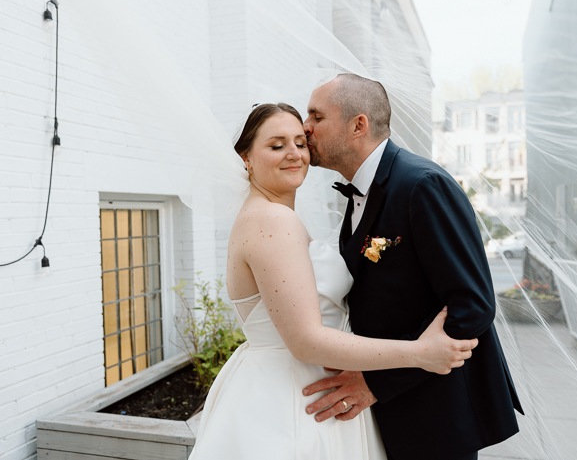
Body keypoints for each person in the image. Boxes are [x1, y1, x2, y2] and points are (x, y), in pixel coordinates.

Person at [188, 103, 479, 460]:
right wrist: (420, 353)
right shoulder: (271, 221)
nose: (294, 154)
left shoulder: (274, 215)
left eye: (299, 142)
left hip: (312, 386)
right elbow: (307, 341)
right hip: (293, 397)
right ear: (245, 157)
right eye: (277, 145)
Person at [302, 74, 524, 460]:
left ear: (358, 125)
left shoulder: (422, 185)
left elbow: (472, 307)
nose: (305, 128)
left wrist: (376, 382)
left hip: (438, 414)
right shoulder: (363, 192)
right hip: (393, 414)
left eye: (316, 116)